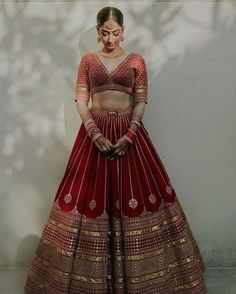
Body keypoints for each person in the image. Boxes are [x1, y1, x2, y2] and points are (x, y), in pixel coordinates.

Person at [25, 6, 207, 294]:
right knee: (89, 198)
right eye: (105, 32)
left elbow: (140, 101)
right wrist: (94, 132)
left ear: (123, 30)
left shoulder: (136, 61)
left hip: (129, 135)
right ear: (98, 32)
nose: (110, 38)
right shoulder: (87, 61)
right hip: (93, 136)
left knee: (131, 195)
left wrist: (131, 133)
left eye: (116, 32)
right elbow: (82, 100)